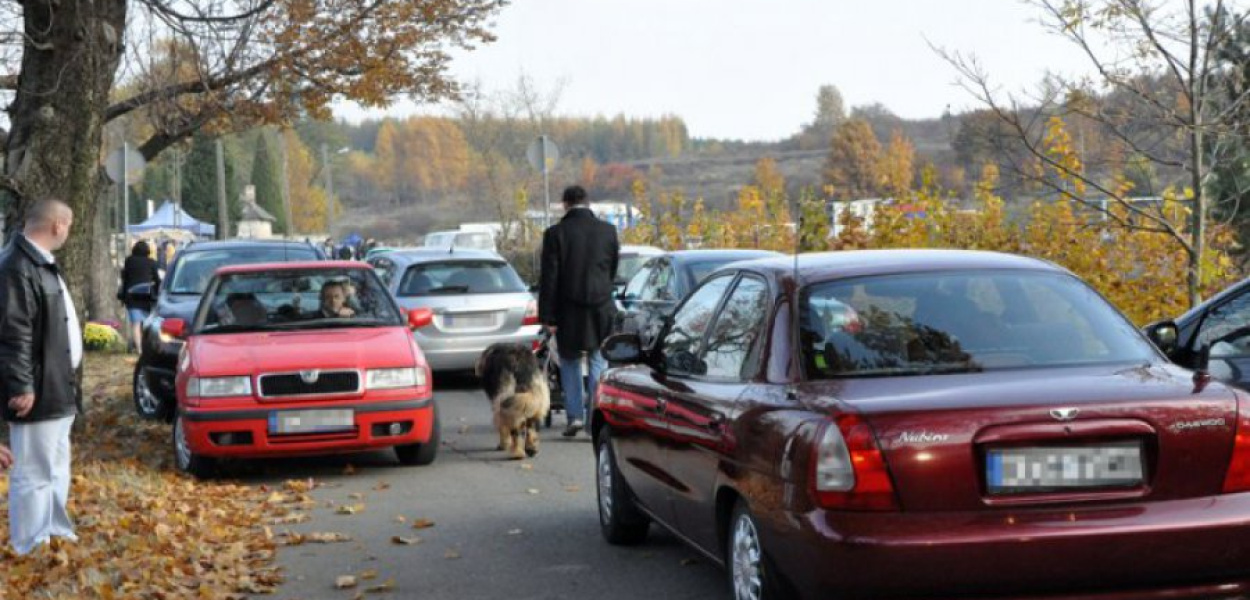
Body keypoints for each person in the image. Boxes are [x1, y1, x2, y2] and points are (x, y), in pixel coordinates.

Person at [0, 198, 82, 555]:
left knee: (56, 465)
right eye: (69, 225)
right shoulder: (17, 266)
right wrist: (21, 385)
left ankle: (53, 530)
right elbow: (13, 331)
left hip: (55, 383)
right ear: (57, 226)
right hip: (38, 384)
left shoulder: (39, 263)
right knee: (34, 469)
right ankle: (29, 542)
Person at [538, 185, 620, 437]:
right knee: (598, 359)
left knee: (570, 361)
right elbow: (612, 269)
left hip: (568, 308)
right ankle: (594, 417)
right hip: (601, 306)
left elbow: (549, 278)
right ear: (588, 202)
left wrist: (548, 317)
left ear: (565, 204)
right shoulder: (608, 231)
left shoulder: (555, 234)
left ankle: (574, 416)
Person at [120, 240, 160, 353]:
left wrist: (123, 297)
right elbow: (157, 280)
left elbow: (125, 278)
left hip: (131, 297)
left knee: (135, 324)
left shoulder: (129, 261)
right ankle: (146, 346)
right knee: (146, 323)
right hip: (146, 297)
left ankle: (139, 349)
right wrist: (157, 292)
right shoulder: (151, 262)